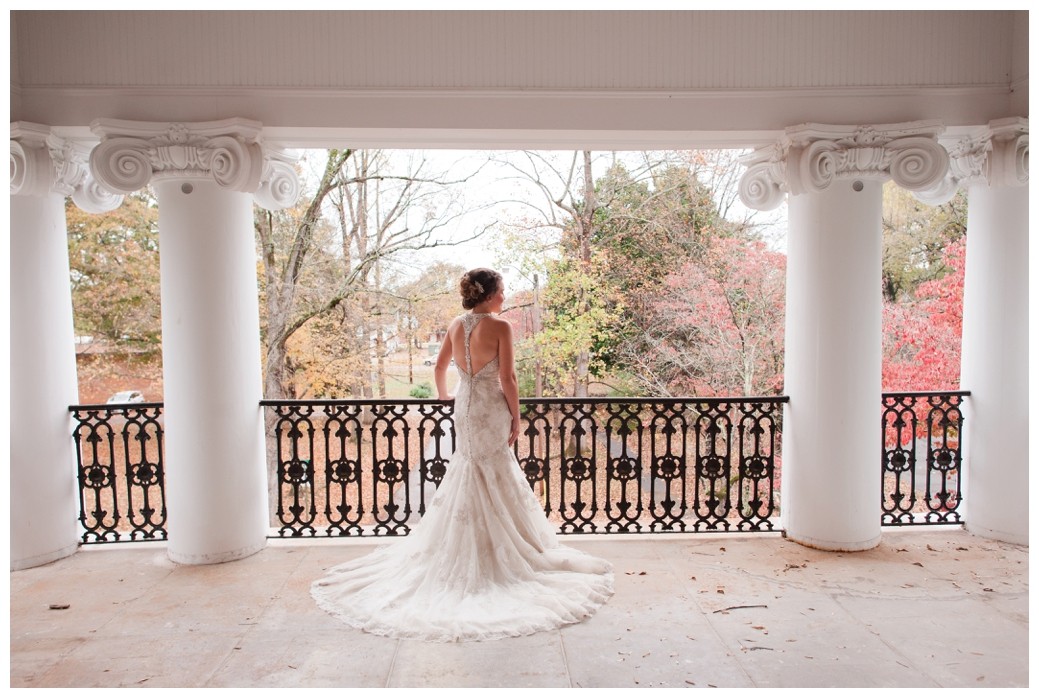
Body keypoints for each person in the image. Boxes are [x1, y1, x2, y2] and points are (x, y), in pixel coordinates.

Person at [311, 268, 614, 642]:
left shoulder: (456, 325)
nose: (505, 296)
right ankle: (498, 554)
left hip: (465, 405)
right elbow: (509, 379)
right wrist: (517, 417)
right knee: (494, 469)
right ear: (488, 296)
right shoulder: (500, 327)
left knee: (469, 468)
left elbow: (440, 368)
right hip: (490, 408)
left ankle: (468, 544)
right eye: (502, 291)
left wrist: (444, 396)